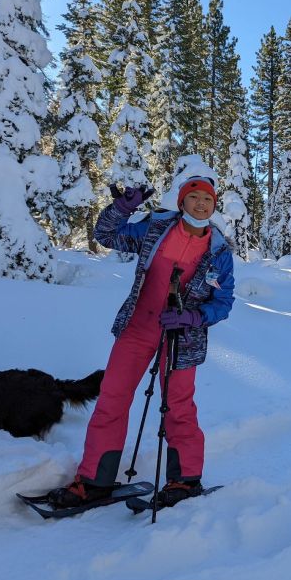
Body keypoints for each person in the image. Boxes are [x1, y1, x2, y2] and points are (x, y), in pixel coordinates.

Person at [48, 176, 235, 508]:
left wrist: (192, 317)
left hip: (182, 338)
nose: (201, 204)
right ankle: (95, 480)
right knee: (112, 399)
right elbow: (105, 235)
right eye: (194, 197)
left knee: (179, 407)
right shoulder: (156, 228)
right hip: (137, 329)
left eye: (208, 199)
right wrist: (121, 209)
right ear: (182, 202)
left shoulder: (218, 251)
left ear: (214, 205)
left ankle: (185, 480)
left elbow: (223, 303)